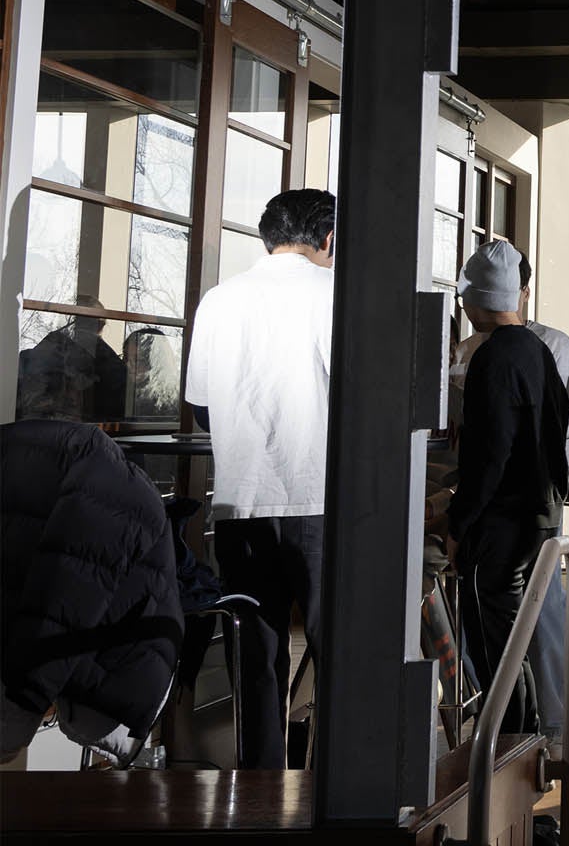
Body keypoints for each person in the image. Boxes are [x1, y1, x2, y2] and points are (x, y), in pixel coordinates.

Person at [182, 188, 336, 769]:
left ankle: (261, 791)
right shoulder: (335, 295)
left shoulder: (221, 300)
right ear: (328, 239)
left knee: (257, 652)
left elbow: (201, 404)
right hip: (320, 497)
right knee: (335, 651)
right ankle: (338, 790)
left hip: (241, 504)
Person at [446, 244, 569, 747]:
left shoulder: (493, 357)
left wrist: (457, 522)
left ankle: (510, 748)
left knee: (503, 645)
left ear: (475, 300)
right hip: (538, 517)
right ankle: (528, 741)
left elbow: (489, 458)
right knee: (519, 639)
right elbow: (549, 436)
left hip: (503, 524)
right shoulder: (535, 352)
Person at [1, 419, 182, 766]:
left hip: (114, 660)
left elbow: (62, 605)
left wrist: (26, 698)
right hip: (111, 652)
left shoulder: (104, 489)